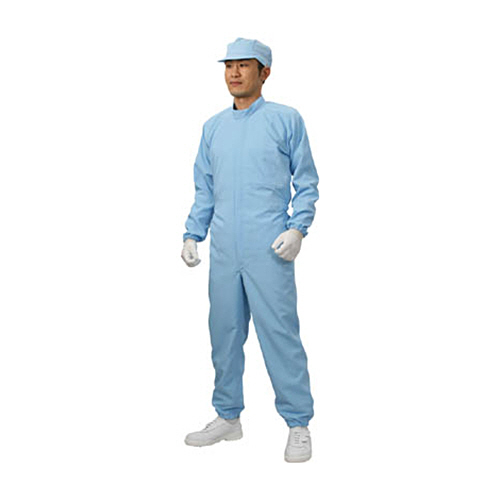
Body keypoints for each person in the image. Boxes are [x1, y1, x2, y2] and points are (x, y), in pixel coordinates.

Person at [181, 37, 319, 463]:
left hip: (269, 247)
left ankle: (298, 423)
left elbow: (306, 181)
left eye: (244, 65)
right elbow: (205, 188)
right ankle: (228, 416)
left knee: (279, 335)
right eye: (229, 65)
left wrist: (297, 229)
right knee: (223, 334)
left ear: (265, 72)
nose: (235, 73)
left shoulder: (285, 120)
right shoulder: (213, 127)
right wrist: (192, 233)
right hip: (225, 250)